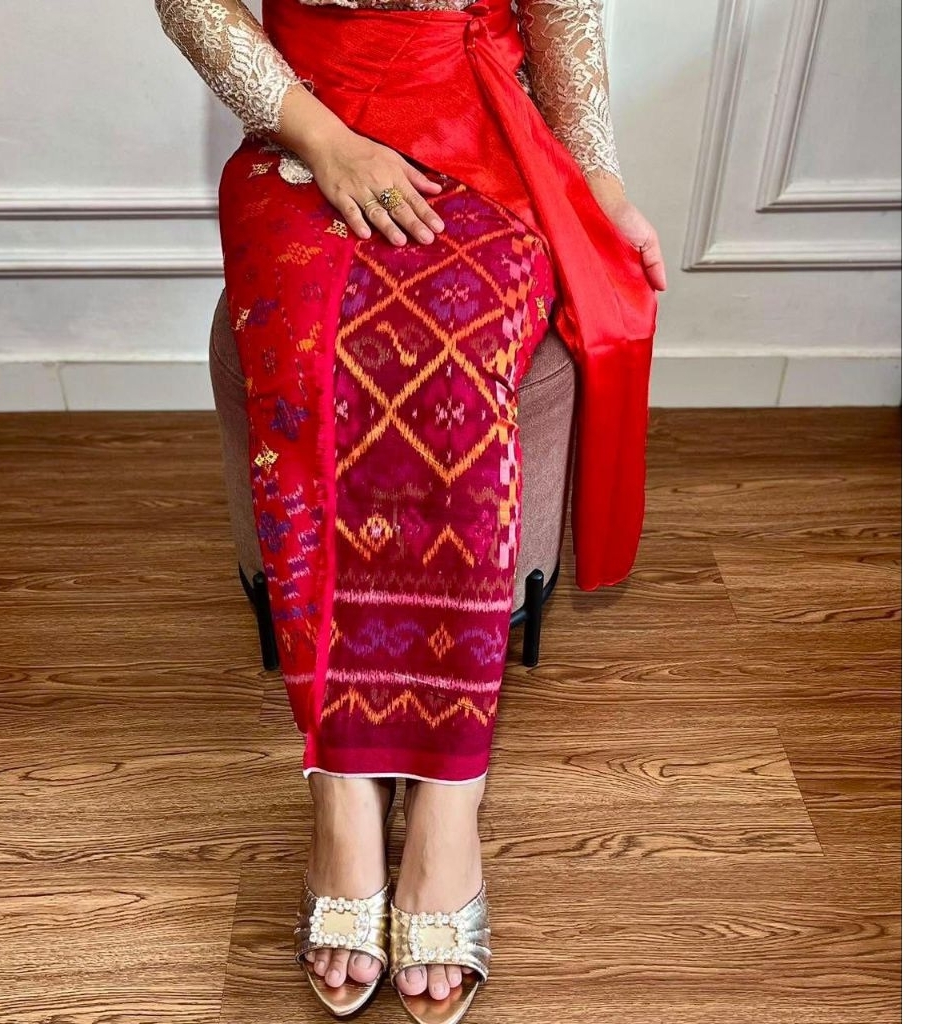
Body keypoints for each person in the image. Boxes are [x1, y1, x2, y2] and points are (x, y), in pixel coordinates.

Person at [154, 1, 665, 1020]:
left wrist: (598, 184)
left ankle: (448, 796)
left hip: (487, 146)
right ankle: (341, 790)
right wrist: (323, 141)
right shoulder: (311, 137)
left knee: (451, 379)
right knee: (314, 370)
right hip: (305, 135)